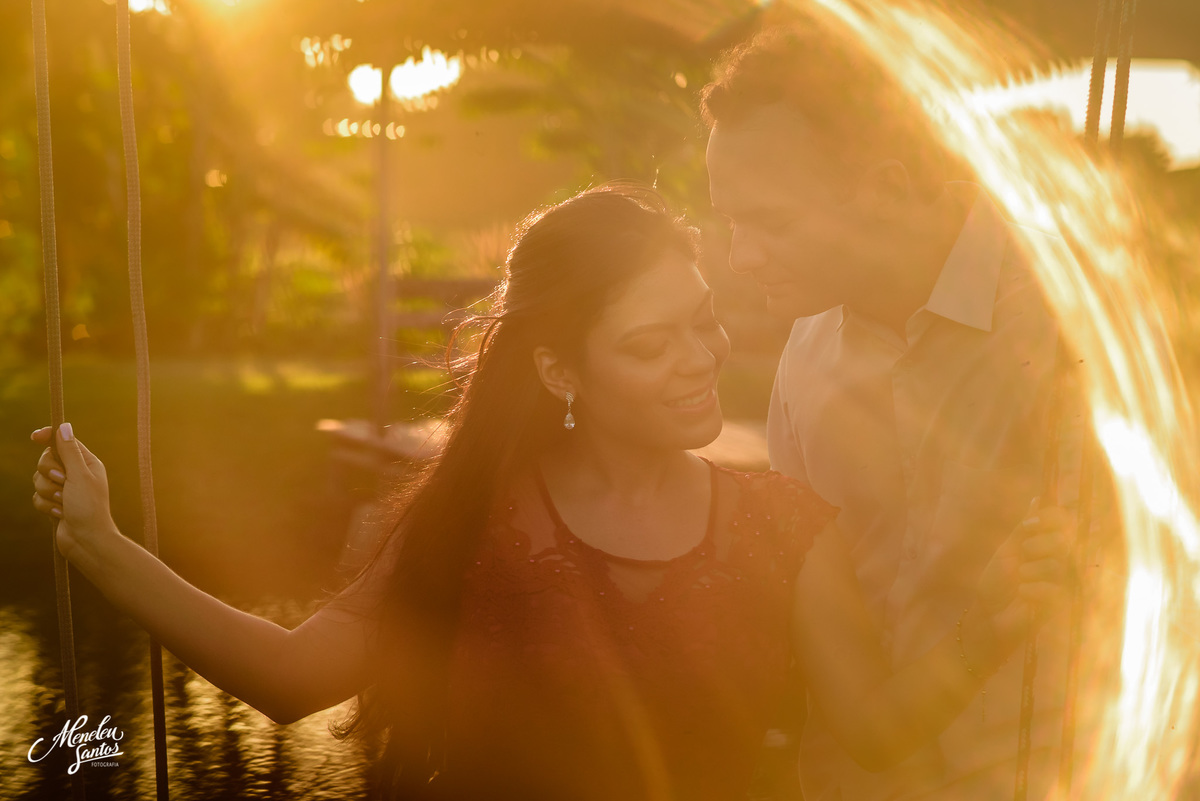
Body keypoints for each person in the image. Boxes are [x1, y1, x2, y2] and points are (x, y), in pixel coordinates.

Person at [31, 185, 1069, 801]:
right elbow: (300, 677)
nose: (702, 357)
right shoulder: (477, 518)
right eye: (649, 344)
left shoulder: (787, 526)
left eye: (703, 320)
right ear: (563, 373)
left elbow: (880, 727)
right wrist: (104, 546)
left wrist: (1008, 613)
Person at [702, 25, 1078, 801]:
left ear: (888, 185)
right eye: (731, 222)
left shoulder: (1078, 323)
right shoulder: (804, 358)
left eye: (770, 222)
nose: (740, 257)